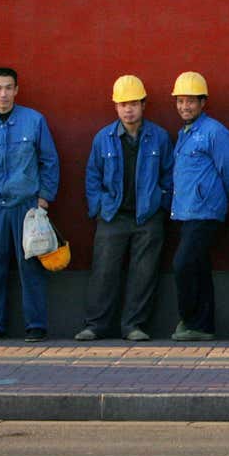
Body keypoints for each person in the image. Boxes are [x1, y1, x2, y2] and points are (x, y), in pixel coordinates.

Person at [77, 75, 173, 342]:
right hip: (112, 215)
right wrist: (98, 207)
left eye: (133, 103)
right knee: (104, 272)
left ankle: (133, 326)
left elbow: (169, 174)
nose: (128, 109)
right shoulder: (103, 138)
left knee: (144, 274)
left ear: (143, 105)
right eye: (122, 104)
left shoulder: (159, 137)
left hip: (148, 216)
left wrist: (160, 202)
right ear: (115, 107)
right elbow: (92, 176)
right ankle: (95, 326)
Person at [0, 67, 59, 343]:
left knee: (30, 266)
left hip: (27, 207)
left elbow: (50, 161)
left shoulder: (34, 121)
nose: (3, 94)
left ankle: (35, 326)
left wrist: (43, 198)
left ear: (17, 90)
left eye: (8, 88)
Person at [168, 71, 229, 342]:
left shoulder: (214, 132)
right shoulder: (185, 133)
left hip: (206, 212)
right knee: (197, 266)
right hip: (186, 211)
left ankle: (189, 319)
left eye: (190, 101)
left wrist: (226, 201)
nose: (184, 106)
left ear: (203, 103)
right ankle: (202, 325)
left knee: (183, 264)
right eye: (180, 101)